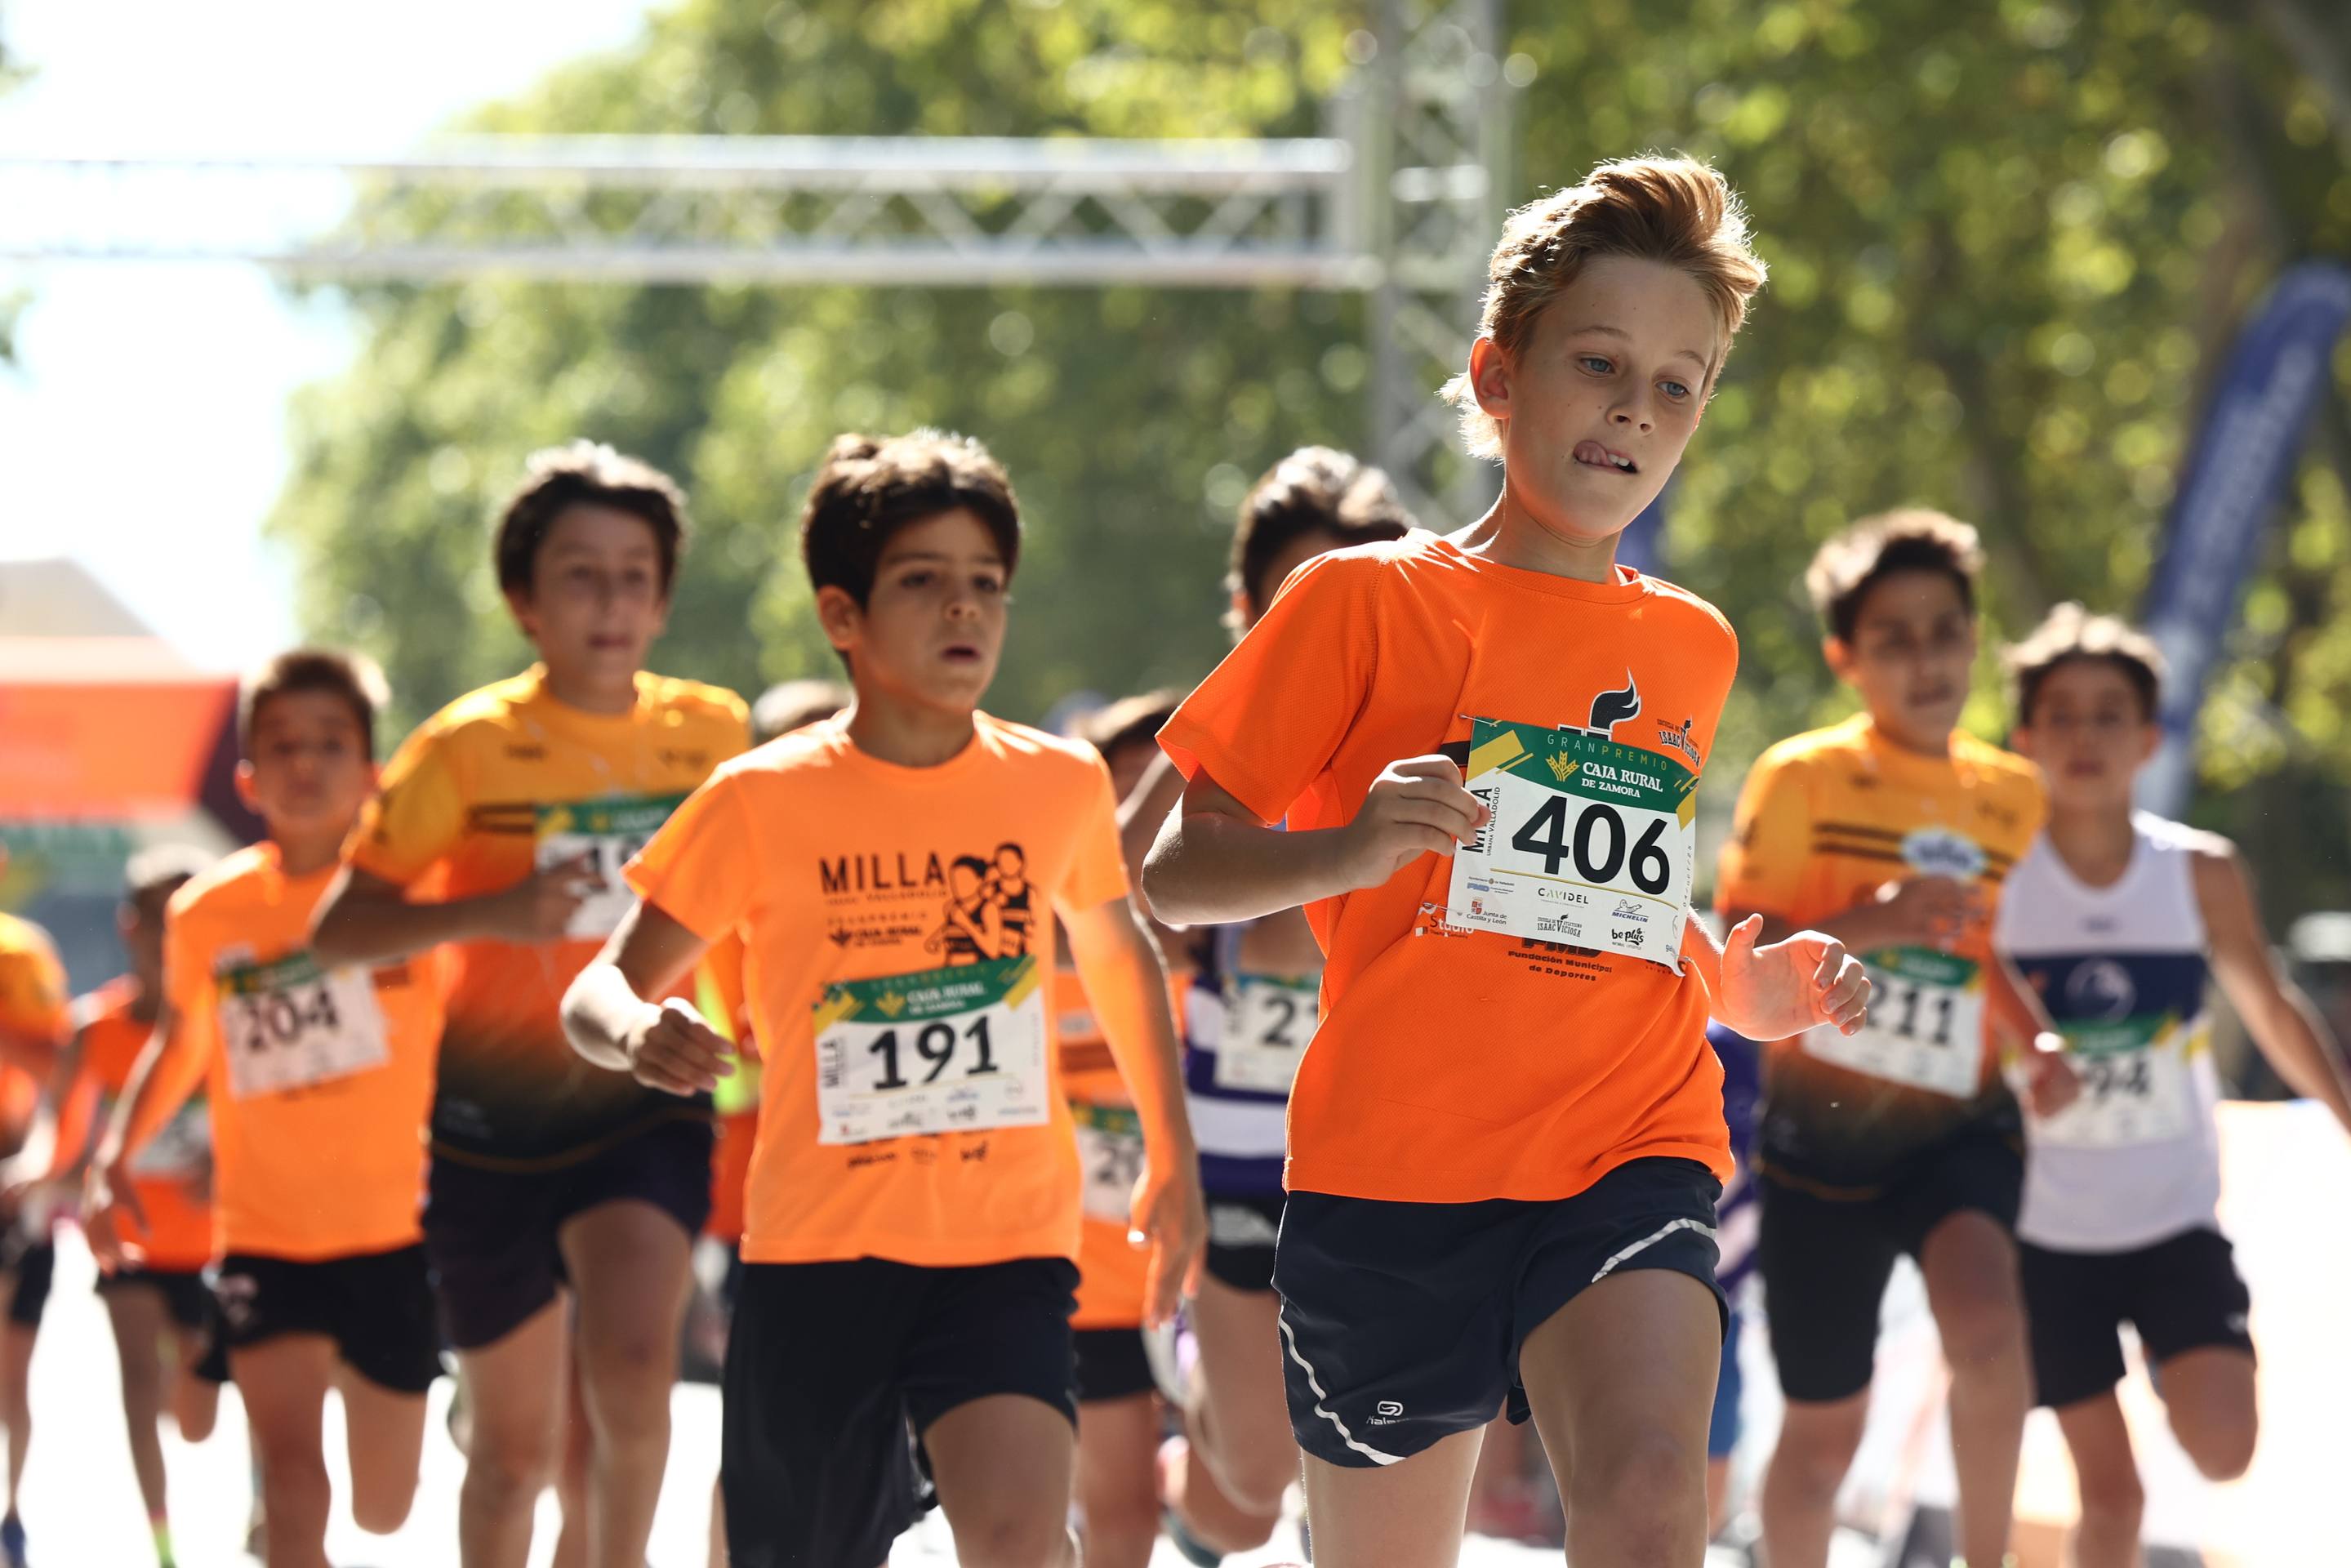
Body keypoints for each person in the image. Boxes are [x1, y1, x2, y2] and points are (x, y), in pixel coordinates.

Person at [1142, 156, 1869, 1568]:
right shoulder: (1359, 601)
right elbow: (1173, 871)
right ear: (1492, 373)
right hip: (1394, 1175)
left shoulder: (1692, 645)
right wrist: (1347, 846)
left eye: (1678, 382)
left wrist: (1735, 987)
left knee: (1655, 1497)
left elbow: (1616, 897)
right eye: (1598, 362)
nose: (1634, 410)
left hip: (1629, 1137)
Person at [559, 429, 1206, 1568]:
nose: (964, 610)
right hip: (818, 1258)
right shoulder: (758, 799)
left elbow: (1116, 957)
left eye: (985, 586)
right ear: (841, 616)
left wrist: (1175, 1157)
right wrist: (634, 1030)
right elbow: (595, 987)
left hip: (1005, 1246)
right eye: (922, 582)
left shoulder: (1053, 785)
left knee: (1017, 1541)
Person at [310, 442, 749, 1568]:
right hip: (488, 1131)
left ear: (662, 598)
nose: (611, 601)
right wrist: (490, 913)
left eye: (634, 576)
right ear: (523, 600)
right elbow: (340, 931)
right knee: (513, 1456)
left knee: (636, 1382)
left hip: (642, 1097)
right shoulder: (464, 747)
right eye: (579, 575)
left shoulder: (714, 736)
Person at [1717, 510, 2077, 1568]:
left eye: (1941, 632)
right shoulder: (1801, 777)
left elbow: (1981, 952)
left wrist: (2035, 1041)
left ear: (1973, 640)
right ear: (1845, 656)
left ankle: (1983, 1557)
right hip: (1818, 1135)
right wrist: (1868, 918)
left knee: (1984, 1321)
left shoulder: (2011, 793)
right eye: (1891, 638)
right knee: (1822, 1434)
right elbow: (1736, 951)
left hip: (1956, 1121)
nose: (1923, 660)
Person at [1998, 604, 2351, 1567]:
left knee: (2223, 1450)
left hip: (2171, 1219)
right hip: (2042, 1234)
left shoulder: (2199, 873)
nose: (2083, 736)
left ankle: (2168, 1351)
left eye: (2107, 714)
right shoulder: (1999, 878)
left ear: (2148, 738)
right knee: (2110, 1503)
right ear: (2022, 739)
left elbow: (2274, 1013)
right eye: (2059, 715)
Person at [84, 649, 444, 1568]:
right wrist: (116, 1151)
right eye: (282, 745)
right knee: (290, 1486)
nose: (306, 763)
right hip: (263, 1235)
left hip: (393, 1233)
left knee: (384, 1510)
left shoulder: (418, 892)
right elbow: (183, 1039)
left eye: (331, 743)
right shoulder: (210, 912)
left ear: (373, 770)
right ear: (247, 777)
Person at [1149, 448, 1413, 1565]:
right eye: (1296, 599)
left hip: (1385, 1155)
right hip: (1240, 1156)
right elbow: (1122, 892)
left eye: (1348, 594)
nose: (1325, 624)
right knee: (1248, 1483)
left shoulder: (1431, 749)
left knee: (1364, 1473)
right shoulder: (1214, 749)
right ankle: (1174, 1450)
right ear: (1247, 611)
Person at [0, 845, 223, 1567]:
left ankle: (234, 1459)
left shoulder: (229, 1020)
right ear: (132, 930)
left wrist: (225, 1160)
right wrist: (36, 1168)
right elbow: (56, 1125)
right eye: (159, 923)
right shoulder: (99, 1030)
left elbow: (272, 1112)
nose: (171, 942)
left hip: (215, 1246)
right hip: (127, 1241)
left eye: (186, 922)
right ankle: (162, 1549)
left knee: (193, 1420)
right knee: (132, 1382)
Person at [700, 677, 845, 1568]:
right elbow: (728, 1074)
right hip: (766, 1211)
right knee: (764, 1430)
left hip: (910, 1202)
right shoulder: (728, 900)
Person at [1062, 691, 1187, 1568]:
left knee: (1235, 1501)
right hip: (1090, 1287)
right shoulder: (1035, 955)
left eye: (1171, 803)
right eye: (1131, 802)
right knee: (1117, 1520)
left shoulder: (1252, 956)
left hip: (1224, 1280)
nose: (1149, 835)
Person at [0, 884, 69, 1568]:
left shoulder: (18, 954)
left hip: (10, 1180)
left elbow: (62, 1068)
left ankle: (11, 1513)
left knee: (11, 1375)